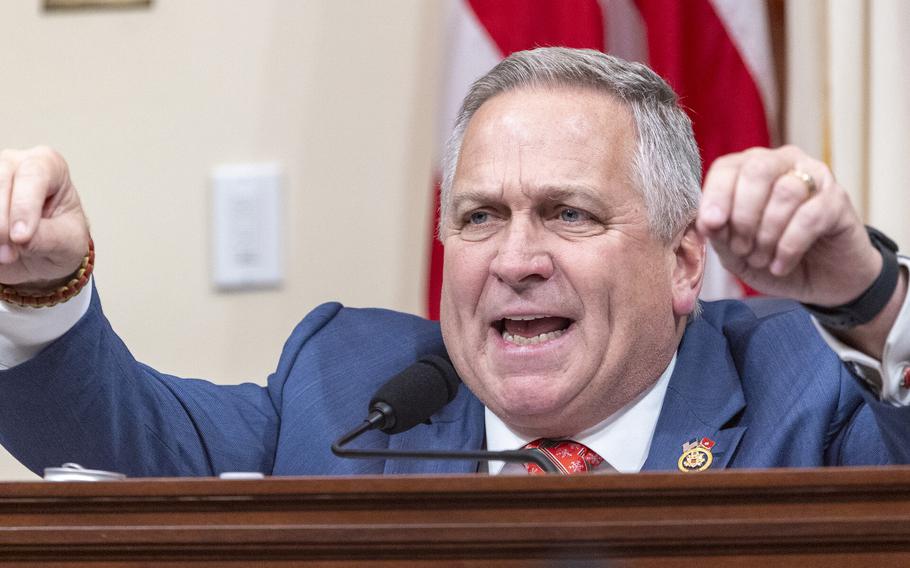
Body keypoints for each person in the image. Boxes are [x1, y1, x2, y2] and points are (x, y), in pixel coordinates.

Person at [0, 47, 907, 477]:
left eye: (567, 212)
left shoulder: (800, 394)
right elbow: (120, 438)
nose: (515, 259)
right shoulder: (351, 386)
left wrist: (866, 292)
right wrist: (42, 288)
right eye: (480, 216)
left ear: (681, 262)